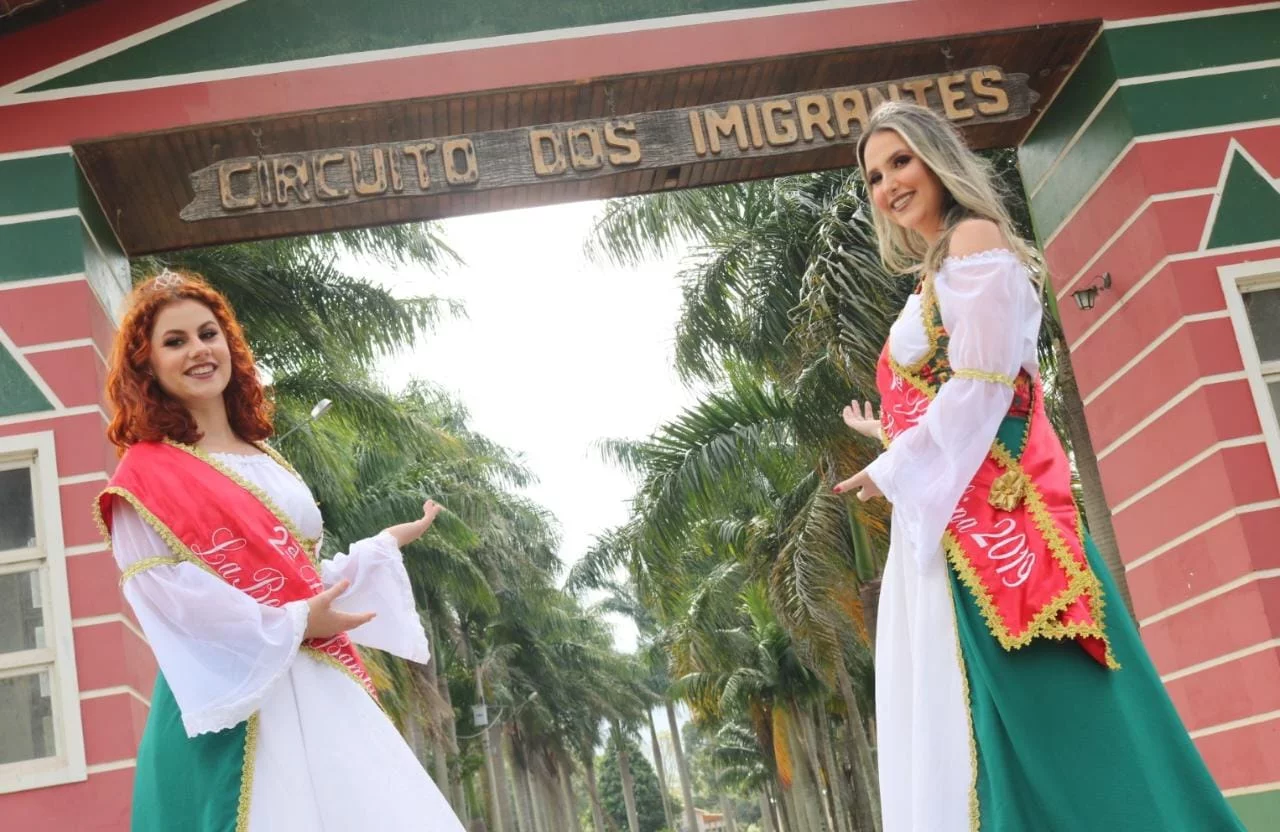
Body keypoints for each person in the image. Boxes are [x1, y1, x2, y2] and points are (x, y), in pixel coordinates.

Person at [833, 102, 1244, 832]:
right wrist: (890, 438)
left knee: (1061, 721)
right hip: (960, 528)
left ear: (936, 159)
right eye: (873, 175)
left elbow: (985, 387)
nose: (888, 183)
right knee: (1001, 729)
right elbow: (956, 394)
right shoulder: (935, 273)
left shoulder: (975, 239)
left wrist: (897, 465)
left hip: (1007, 536)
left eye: (901, 161)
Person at [94, 269, 466, 831]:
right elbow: (170, 599)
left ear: (228, 343)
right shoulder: (144, 477)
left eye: (207, 333)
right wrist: (295, 620)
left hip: (318, 678)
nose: (198, 350)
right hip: (229, 695)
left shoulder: (264, 455)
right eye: (175, 341)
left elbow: (303, 571)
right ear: (146, 365)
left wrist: (378, 550)